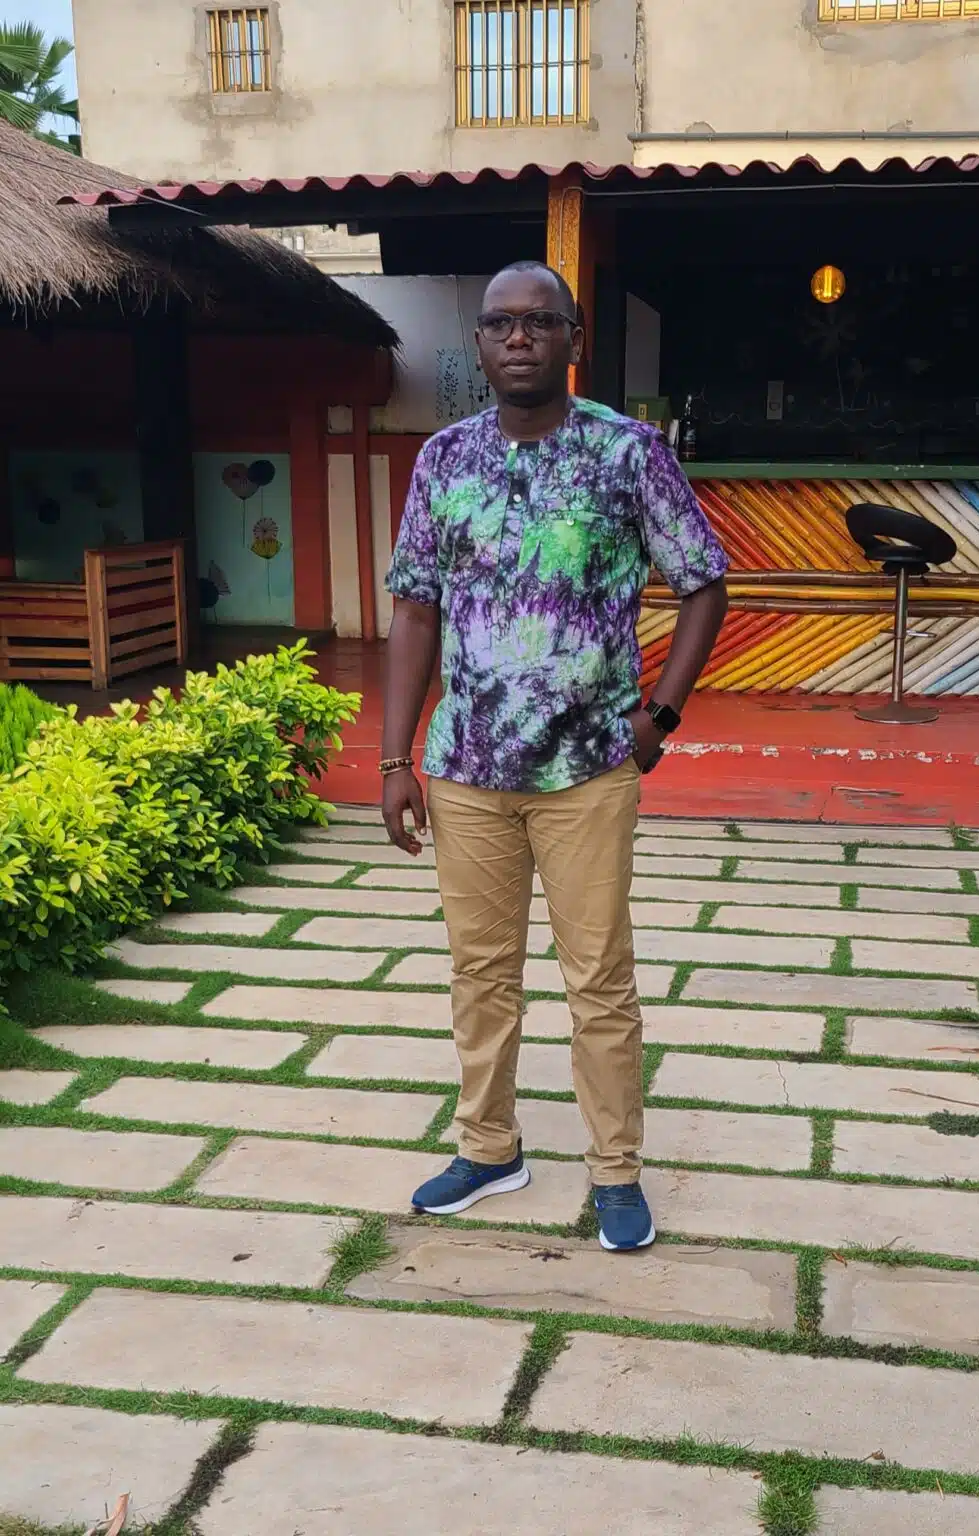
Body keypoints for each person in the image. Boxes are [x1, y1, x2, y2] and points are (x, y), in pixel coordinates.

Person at [381, 260, 729, 1251]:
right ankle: (489, 1148)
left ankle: (615, 1169)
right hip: (466, 770)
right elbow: (415, 609)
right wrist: (396, 760)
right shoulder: (444, 459)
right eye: (502, 324)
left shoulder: (626, 453)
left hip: (587, 770)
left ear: (574, 339)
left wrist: (660, 715)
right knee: (479, 973)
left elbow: (704, 581)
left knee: (599, 980)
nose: (520, 338)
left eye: (541, 322)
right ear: (481, 344)